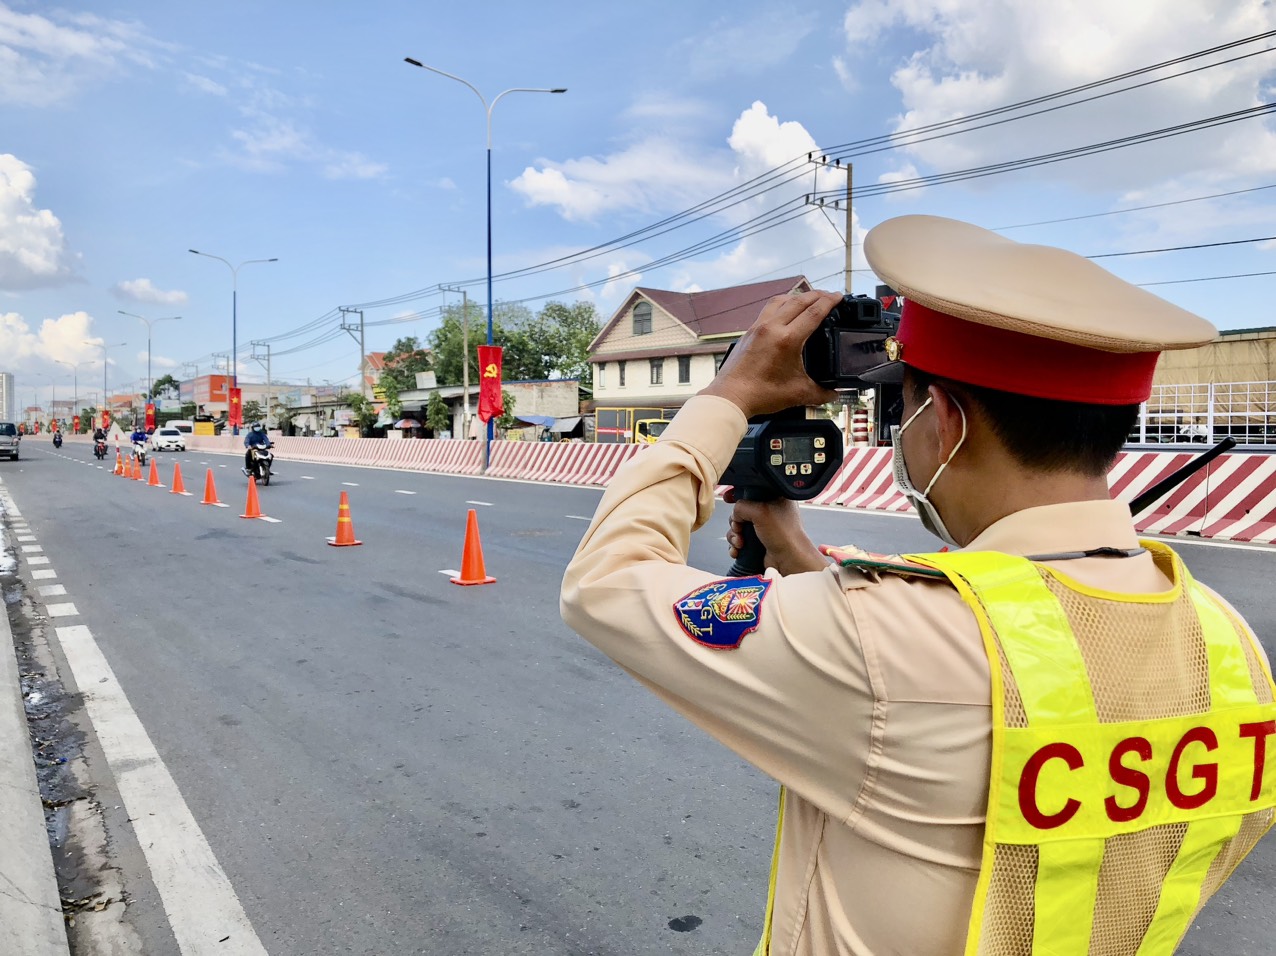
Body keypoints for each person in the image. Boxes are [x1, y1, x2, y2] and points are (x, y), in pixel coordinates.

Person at [560, 215, 1276, 955]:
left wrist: (729, 395)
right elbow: (994, 667)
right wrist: (802, 558)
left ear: (945, 421)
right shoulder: (1228, 647)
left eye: (899, 410)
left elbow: (607, 584)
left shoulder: (882, 639)